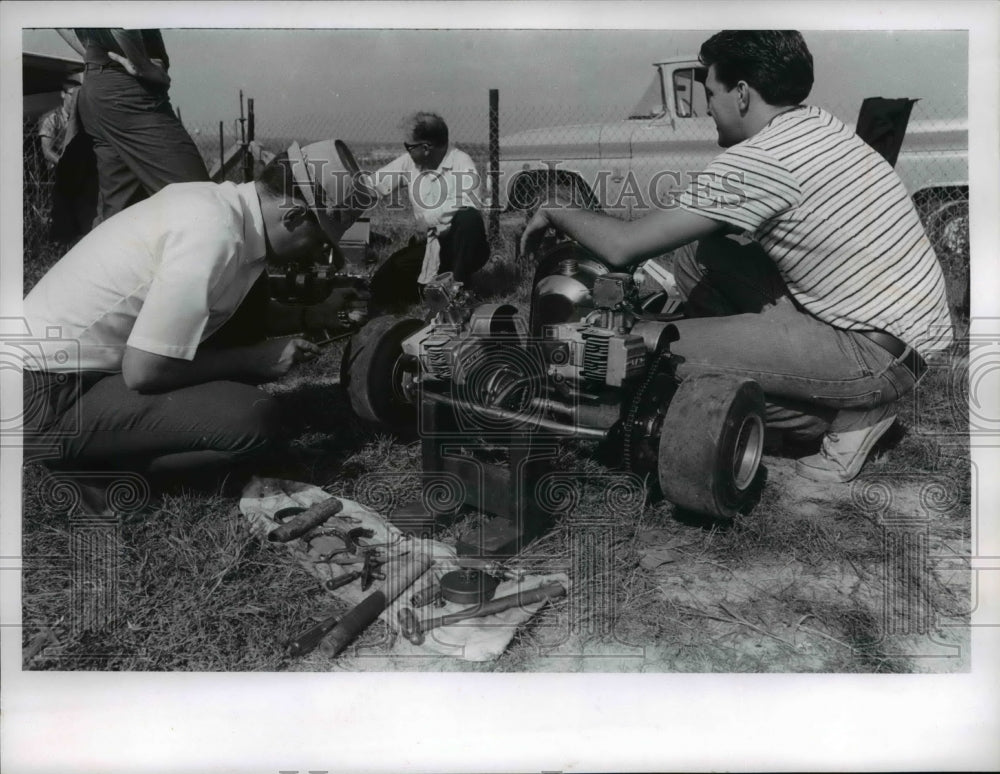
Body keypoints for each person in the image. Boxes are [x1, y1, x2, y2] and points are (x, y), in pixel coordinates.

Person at [520, 30, 954, 484]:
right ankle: (751, 367)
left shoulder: (761, 160)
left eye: (710, 92)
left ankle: (842, 415)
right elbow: (685, 228)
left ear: (742, 94)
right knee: (696, 252)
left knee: (643, 357)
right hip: (899, 330)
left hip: (868, 351)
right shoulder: (818, 125)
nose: (708, 107)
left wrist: (553, 204)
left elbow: (622, 245)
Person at [23, 139, 365, 515]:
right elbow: (144, 371)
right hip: (46, 398)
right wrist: (253, 360)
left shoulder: (224, 208)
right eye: (320, 241)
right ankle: (101, 472)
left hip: (61, 372)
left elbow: (234, 311)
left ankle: (109, 446)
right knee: (253, 418)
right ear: (294, 218)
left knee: (244, 328)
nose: (318, 254)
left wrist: (312, 314)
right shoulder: (215, 237)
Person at [57, 28, 210, 224]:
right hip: (130, 91)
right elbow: (122, 21)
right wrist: (143, 66)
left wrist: (93, 56)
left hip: (101, 85)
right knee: (202, 201)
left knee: (121, 216)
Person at [367, 111, 490, 309]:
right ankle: (425, 292)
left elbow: (466, 201)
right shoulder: (410, 162)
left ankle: (458, 290)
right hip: (429, 246)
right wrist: (347, 195)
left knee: (469, 217)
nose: (407, 151)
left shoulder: (461, 162)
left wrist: (427, 221)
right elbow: (374, 184)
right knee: (383, 284)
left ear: (426, 147)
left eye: (409, 146)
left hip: (462, 247)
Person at [36, 74, 98, 243]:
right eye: (73, 94)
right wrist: (65, 164)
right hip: (56, 170)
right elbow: (46, 151)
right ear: (63, 95)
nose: (76, 99)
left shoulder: (83, 119)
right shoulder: (51, 119)